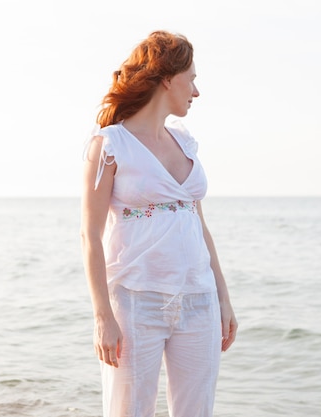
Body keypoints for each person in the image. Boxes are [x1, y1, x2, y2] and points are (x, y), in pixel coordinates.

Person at [80, 30, 238, 417]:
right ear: (168, 78)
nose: (196, 91)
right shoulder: (110, 144)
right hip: (136, 301)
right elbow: (90, 236)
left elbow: (198, 223)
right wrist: (103, 316)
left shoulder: (185, 142)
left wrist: (223, 296)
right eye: (192, 78)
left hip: (198, 300)